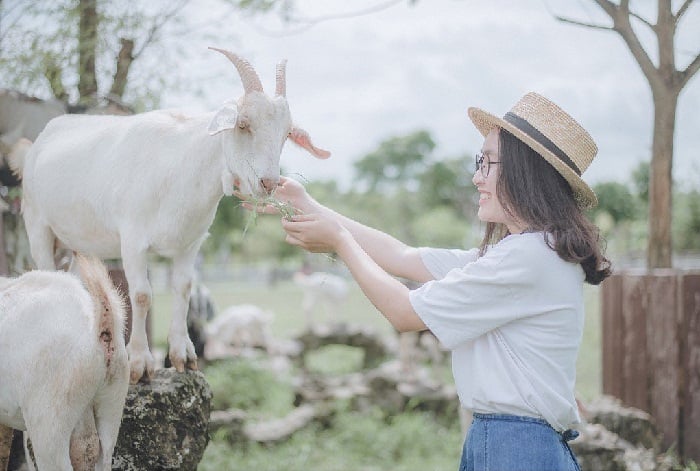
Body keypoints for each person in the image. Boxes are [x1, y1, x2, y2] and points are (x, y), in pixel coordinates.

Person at [246, 92, 611, 471]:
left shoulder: (529, 257)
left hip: (514, 446)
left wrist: (339, 241)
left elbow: (404, 313)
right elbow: (402, 256)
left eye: (487, 163)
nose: (476, 177)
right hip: (507, 440)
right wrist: (308, 204)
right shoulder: (528, 253)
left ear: (525, 172)